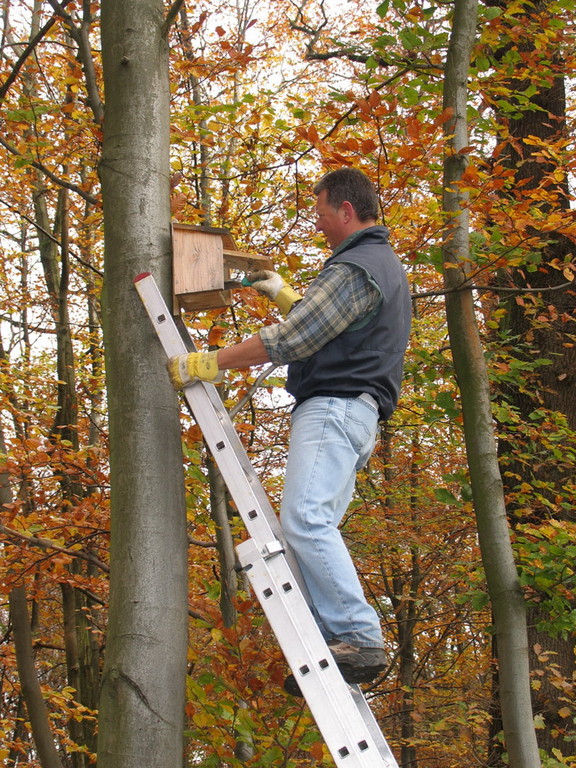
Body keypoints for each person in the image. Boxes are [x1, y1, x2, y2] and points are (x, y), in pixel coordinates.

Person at [168, 168, 412, 689]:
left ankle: (360, 637)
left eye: (322, 212)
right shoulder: (379, 265)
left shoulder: (356, 267)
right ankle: (338, 642)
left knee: (304, 521)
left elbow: (297, 339)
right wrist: (281, 293)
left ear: (346, 211)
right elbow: (324, 326)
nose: (318, 223)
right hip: (355, 414)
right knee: (313, 527)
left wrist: (210, 361)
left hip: (335, 407)